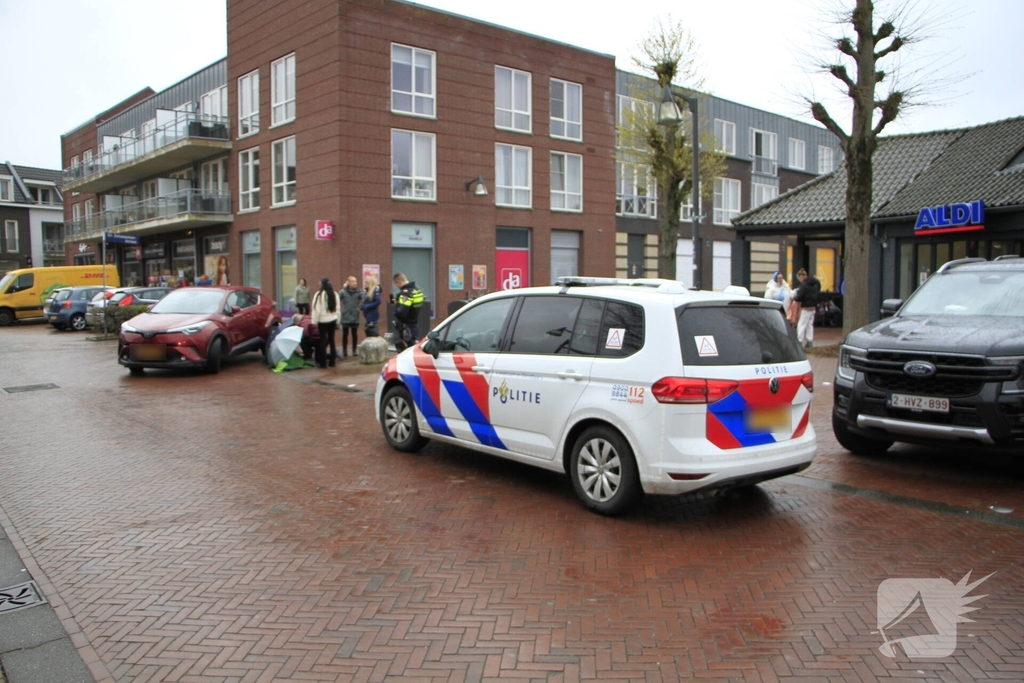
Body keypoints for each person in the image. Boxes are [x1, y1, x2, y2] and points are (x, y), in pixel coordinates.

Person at [311, 277, 340, 367]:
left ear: (322, 284)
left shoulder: (319, 295)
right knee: (332, 341)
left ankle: (323, 363)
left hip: (322, 321)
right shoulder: (335, 294)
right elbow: (338, 309)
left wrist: (314, 321)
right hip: (332, 319)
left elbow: (316, 310)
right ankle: (332, 361)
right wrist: (338, 320)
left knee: (323, 341)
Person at [392, 272, 424, 351]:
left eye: (396, 284)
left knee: (404, 351)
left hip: (406, 328)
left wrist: (396, 307)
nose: (397, 287)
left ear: (398, 281)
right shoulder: (417, 291)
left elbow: (402, 312)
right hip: (414, 324)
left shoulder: (405, 294)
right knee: (412, 350)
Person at [793, 268, 822, 349]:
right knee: (810, 325)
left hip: (806, 308)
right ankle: (810, 341)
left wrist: (795, 298)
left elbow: (799, 297)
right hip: (813, 308)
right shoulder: (816, 283)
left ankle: (799, 341)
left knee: (801, 325)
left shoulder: (804, 285)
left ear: (801, 276)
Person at [338, 275, 364, 359]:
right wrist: (340, 310)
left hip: (355, 315)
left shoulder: (359, 292)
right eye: (353, 281)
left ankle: (354, 350)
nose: (355, 283)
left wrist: (360, 308)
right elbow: (337, 299)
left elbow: (365, 298)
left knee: (354, 334)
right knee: (345, 334)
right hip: (345, 316)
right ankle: (344, 350)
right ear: (348, 282)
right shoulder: (343, 292)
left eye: (355, 281)